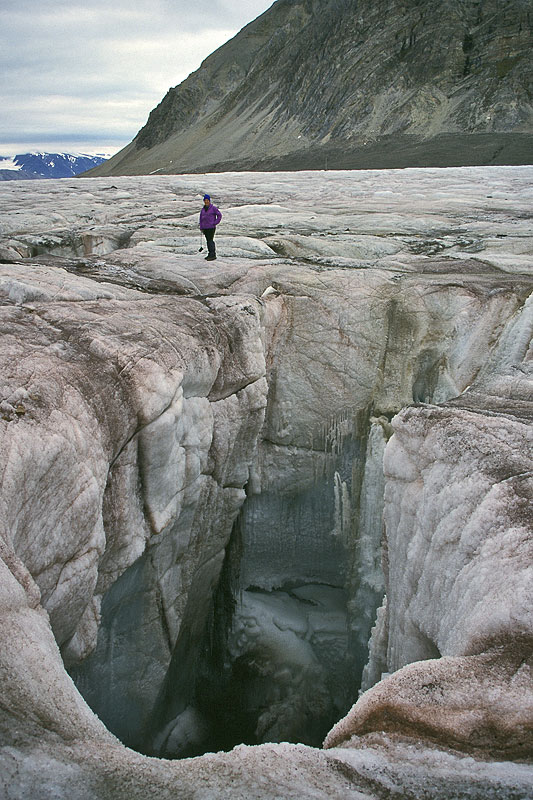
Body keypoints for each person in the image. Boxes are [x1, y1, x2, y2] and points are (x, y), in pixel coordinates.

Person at [199, 194, 222, 261]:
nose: (206, 201)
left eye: (207, 200)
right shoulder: (203, 209)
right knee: (208, 241)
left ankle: (212, 254)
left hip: (211, 227)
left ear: (209, 201)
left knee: (210, 240)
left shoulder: (213, 208)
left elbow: (219, 215)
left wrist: (215, 222)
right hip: (205, 228)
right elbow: (201, 218)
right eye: (205, 200)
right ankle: (210, 254)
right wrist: (201, 227)